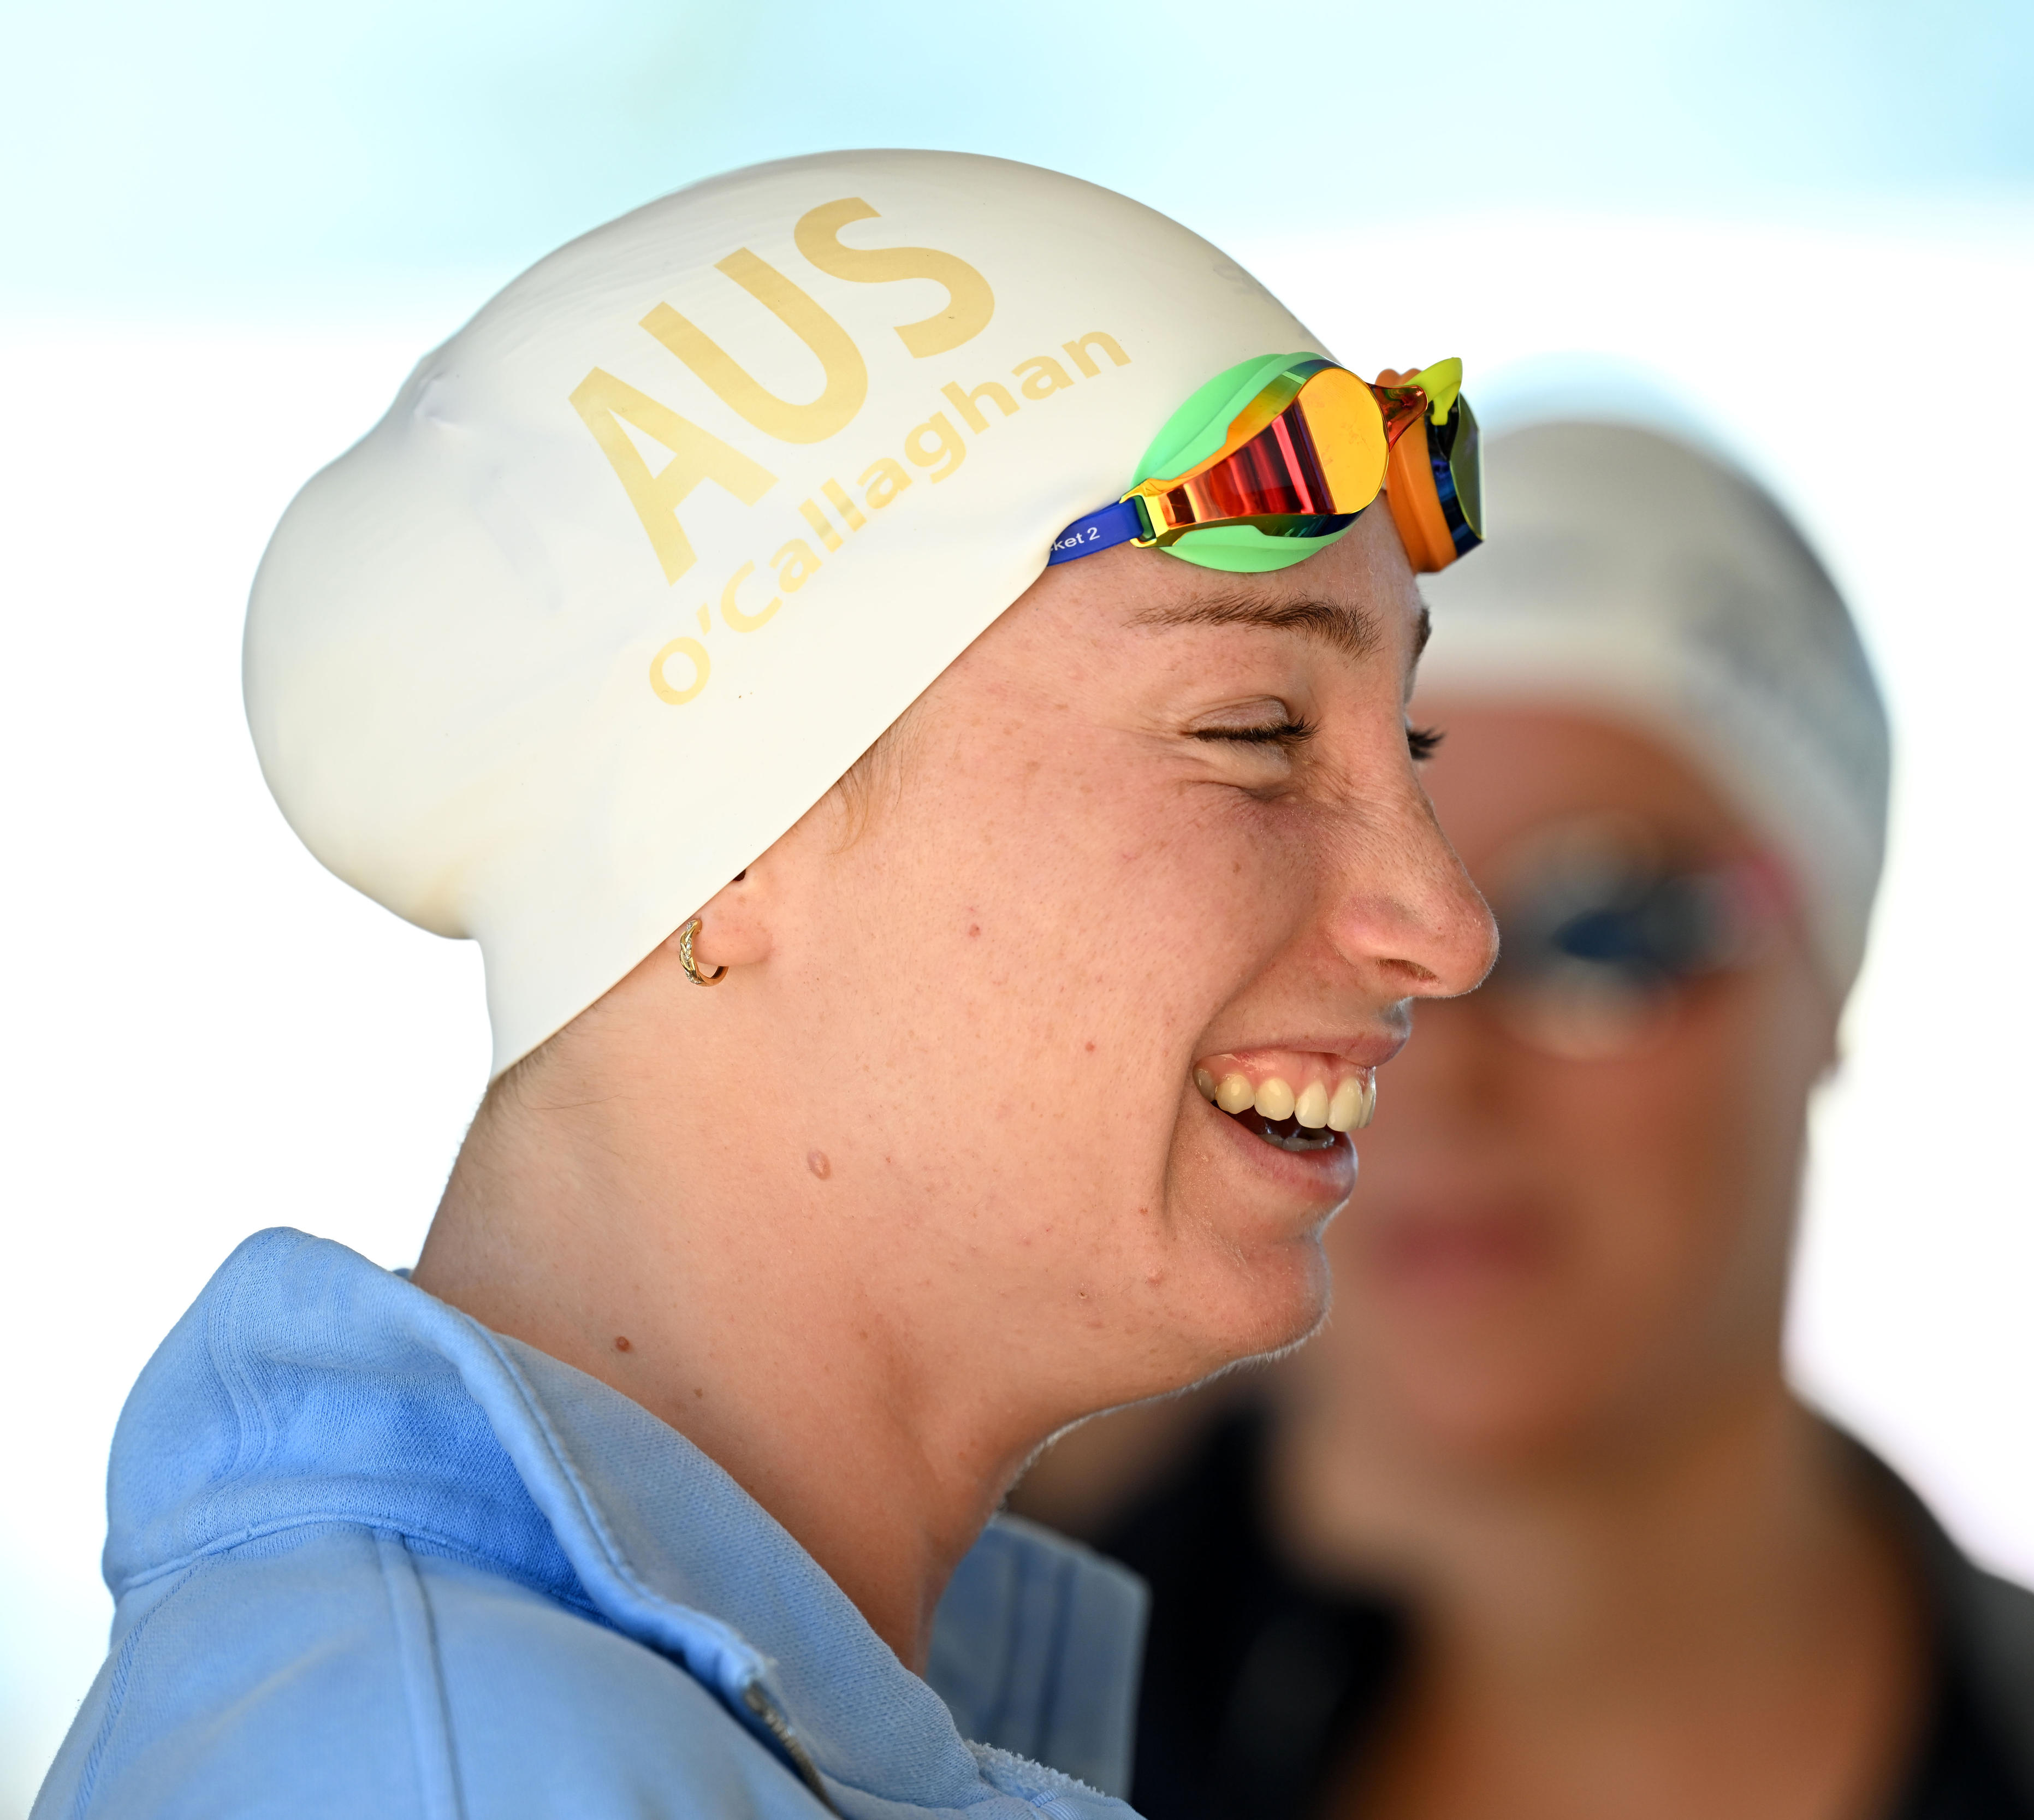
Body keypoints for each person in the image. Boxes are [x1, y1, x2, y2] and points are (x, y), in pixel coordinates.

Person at [36, 150, 1495, 1819]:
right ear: (731, 837)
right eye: (1255, 735)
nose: (1447, 924)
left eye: (1416, 743)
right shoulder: (442, 1775)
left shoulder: (734, 1732)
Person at [1016, 419, 2034, 1820]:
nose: (1445, 1070)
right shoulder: (926, 1735)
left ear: (1828, 982)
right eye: (1344, 925)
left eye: (1607, 930)